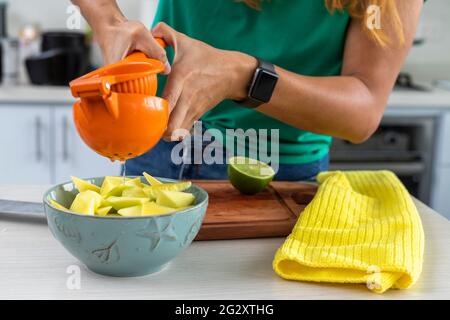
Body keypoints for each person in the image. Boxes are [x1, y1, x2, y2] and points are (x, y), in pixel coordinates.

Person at [73, 0, 423, 180]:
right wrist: (110, 23)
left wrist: (244, 76)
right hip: (158, 149)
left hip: (279, 173)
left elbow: (363, 109)